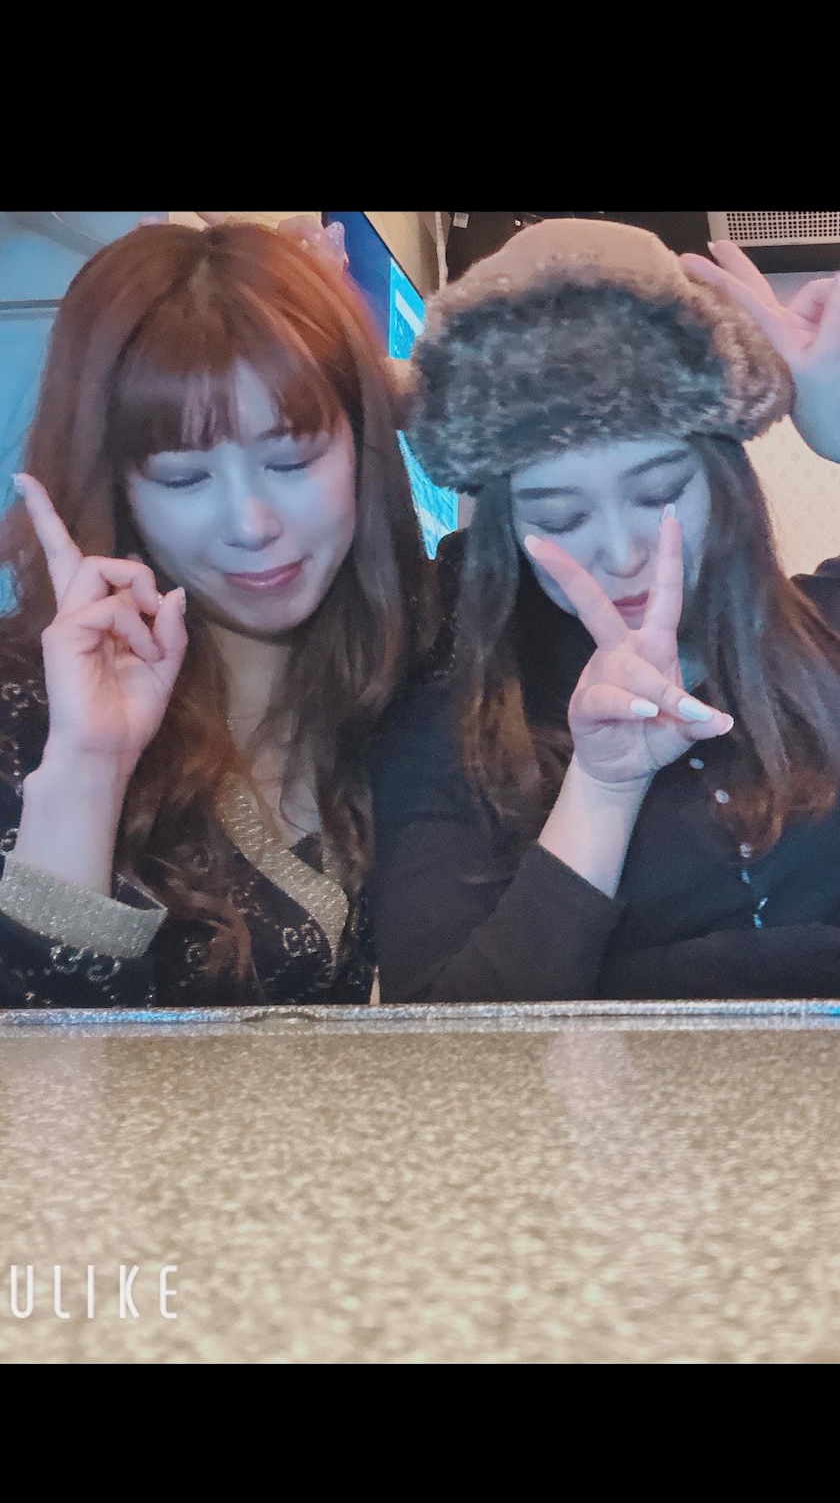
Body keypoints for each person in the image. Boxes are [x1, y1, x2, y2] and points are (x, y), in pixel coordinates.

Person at [368, 217, 840, 1002]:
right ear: (507, 533)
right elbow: (445, 1043)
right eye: (560, 516)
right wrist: (603, 788)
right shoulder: (450, 736)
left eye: (659, 492)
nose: (621, 553)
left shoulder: (826, 630)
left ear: (724, 480)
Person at [0, 219, 435, 1008]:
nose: (251, 523)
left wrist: (389, 377)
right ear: (117, 483)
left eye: (292, 459)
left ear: (364, 441)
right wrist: (88, 769)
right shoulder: (23, 707)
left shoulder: (420, 657)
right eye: (183, 478)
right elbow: (37, 1065)